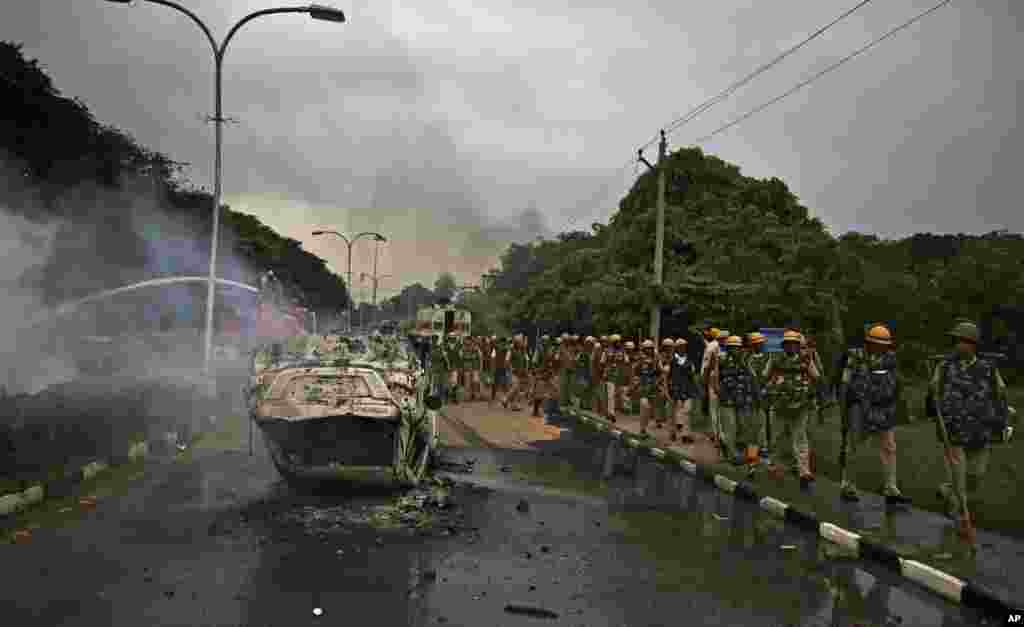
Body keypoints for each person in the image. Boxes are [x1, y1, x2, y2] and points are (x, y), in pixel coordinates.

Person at [930, 320, 1013, 522]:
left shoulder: (988, 368)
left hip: (980, 429)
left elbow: (1000, 395)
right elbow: (933, 391)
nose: (959, 345)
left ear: (973, 344)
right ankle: (957, 509)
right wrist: (934, 403)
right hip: (953, 428)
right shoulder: (945, 366)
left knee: (975, 476)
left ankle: (948, 489)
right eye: (956, 341)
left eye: (963, 341)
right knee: (958, 472)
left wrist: (1003, 422)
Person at [838, 323, 910, 505]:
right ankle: (848, 485)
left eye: (884, 345)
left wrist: (897, 405)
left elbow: (897, 383)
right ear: (868, 342)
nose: (881, 348)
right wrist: (843, 410)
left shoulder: (890, 358)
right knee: (854, 446)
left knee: (889, 447)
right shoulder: (855, 356)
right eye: (877, 344)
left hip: (884, 408)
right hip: (859, 407)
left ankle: (891, 487)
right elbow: (845, 383)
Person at [763, 329, 820, 490]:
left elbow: (816, 377)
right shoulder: (774, 358)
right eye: (788, 344)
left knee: (800, 437)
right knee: (777, 437)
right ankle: (775, 467)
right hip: (779, 403)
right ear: (784, 345)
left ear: (798, 345)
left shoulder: (806, 359)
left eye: (794, 344)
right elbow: (765, 375)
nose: (791, 346)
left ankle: (804, 471)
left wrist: (810, 391)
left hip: (800, 404)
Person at [719, 335, 759, 470]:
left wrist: (755, 395)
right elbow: (716, 377)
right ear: (728, 348)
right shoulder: (722, 360)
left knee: (743, 427)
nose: (734, 350)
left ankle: (737, 450)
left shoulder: (747, 360)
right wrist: (718, 392)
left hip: (743, 398)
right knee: (730, 427)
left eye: (737, 348)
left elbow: (753, 378)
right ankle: (733, 455)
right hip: (727, 399)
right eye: (732, 348)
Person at [666, 337, 700, 443]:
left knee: (687, 411)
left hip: (687, 389)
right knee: (674, 412)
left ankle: (685, 435)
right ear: (677, 348)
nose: (683, 348)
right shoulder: (672, 360)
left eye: (684, 346)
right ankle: (673, 433)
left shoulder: (689, 360)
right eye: (680, 346)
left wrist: (696, 388)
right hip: (675, 389)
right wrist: (667, 389)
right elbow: (667, 376)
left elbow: (693, 376)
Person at [631, 339, 662, 437]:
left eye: (650, 348)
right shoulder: (640, 358)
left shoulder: (656, 358)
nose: (648, 350)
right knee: (644, 406)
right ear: (644, 349)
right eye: (647, 348)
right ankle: (642, 429)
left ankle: (645, 427)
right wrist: (635, 384)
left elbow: (661, 371)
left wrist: (659, 379)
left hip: (653, 386)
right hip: (643, 386)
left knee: (650, 410)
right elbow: (634, 371)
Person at [701, 327, 723, 445]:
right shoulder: (718, 346)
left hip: (712, 379)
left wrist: (704, 381)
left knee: (714, 409)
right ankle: (716, 434)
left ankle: (717, 436)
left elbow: (707, 366)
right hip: (720, 379)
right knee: (719, 409)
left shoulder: (712, 346)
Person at [601, 334, 628, 424]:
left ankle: (616, 410)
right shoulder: (606, 351)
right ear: (613, 342)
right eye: (616, 342)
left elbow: (626, 361)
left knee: (620, 394)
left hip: (620, 376)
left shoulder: (623, 351)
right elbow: (602, 362)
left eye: (619, 341)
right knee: (610, 395)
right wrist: (604, 372)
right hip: (610, 375)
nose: (618, 343)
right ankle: (611, 413)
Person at [491, 336, 512, 408]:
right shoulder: (507, 349)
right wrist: (506, 368)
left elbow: (493, 358)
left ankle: (494, 398)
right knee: (503, 385)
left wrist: (493, 367)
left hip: (498, 367)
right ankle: (503, 399)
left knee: (496, 383)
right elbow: (507, 360)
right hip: (502, 368)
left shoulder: (496, 348)